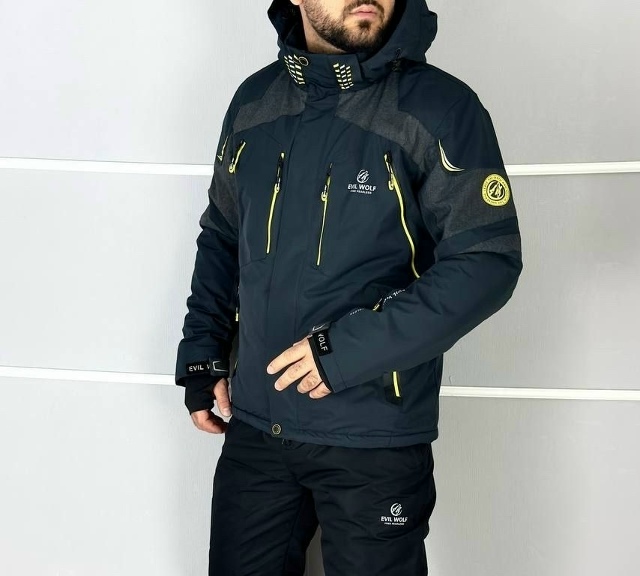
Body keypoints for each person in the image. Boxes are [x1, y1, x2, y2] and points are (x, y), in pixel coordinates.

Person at [175, 0, 522, 574]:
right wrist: (202, 351)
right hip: (257, 429)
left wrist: (343, 352)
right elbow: (223, 234)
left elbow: (486, 262)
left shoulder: (440, 107)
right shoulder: (254, 101)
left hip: (373, 437)